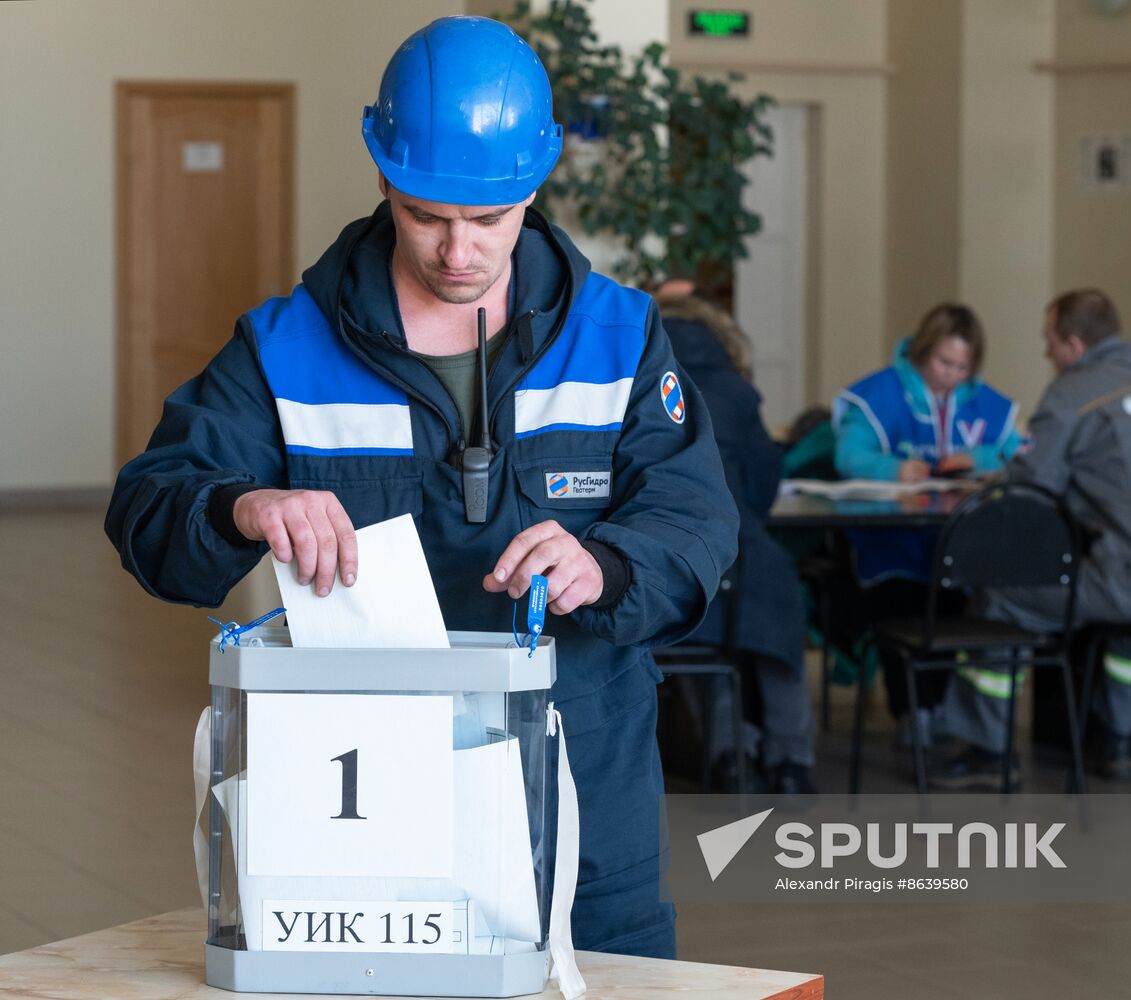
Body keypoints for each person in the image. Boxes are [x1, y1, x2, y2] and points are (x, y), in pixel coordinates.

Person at [104, 17, 737, 958]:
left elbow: (694, 520)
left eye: (487, 220)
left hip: (581, 791)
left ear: (534, 186)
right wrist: (245, 505)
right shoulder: (285, 346)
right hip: (358, 800)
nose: (457, 251)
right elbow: (150, 504)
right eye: (425, 215)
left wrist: (603, 565)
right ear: (382, 180)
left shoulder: (620, 336)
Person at [931, 289, 1131, 788]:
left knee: (999, 594)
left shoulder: (1075, 391)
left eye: (1049, 342)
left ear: (1074, 344)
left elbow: (1030, 487)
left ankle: (987, 749)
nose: (1046, 354)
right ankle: (1116, 741)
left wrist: (989, 481)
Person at [831, 305, 1023, 739]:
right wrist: (890, 470)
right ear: (921, 351)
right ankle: (913, 711)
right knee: (904, 607)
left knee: (957, 608)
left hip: (957, 544)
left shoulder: (984, 400)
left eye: (962, 367)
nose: (951, 375)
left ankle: (939, 708)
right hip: (891, 542)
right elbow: (849, 455)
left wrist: (978, 458)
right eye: (943, 362)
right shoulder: (879, 394)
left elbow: (1021, 451)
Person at [655, 281, 816, 794]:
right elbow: (766, 477)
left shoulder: (643, 381)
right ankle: (792, 761)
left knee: (706, 635)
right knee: (776, 632)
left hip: (675, 553)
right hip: (748, 554)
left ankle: (729, 757)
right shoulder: (736, 390)